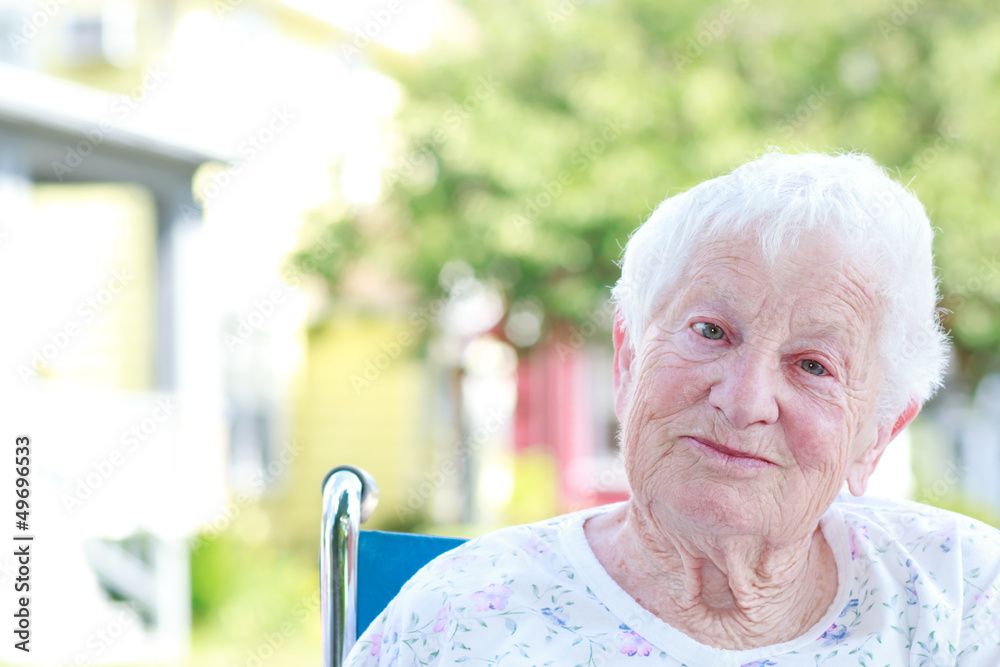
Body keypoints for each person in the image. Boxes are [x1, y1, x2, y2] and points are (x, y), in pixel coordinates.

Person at [347, 151, 1000, 665]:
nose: (744, 401)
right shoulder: (457, 618)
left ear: (876, 436)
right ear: (628, 359)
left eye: (812, 366)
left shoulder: (968, 597)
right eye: (711, 330)